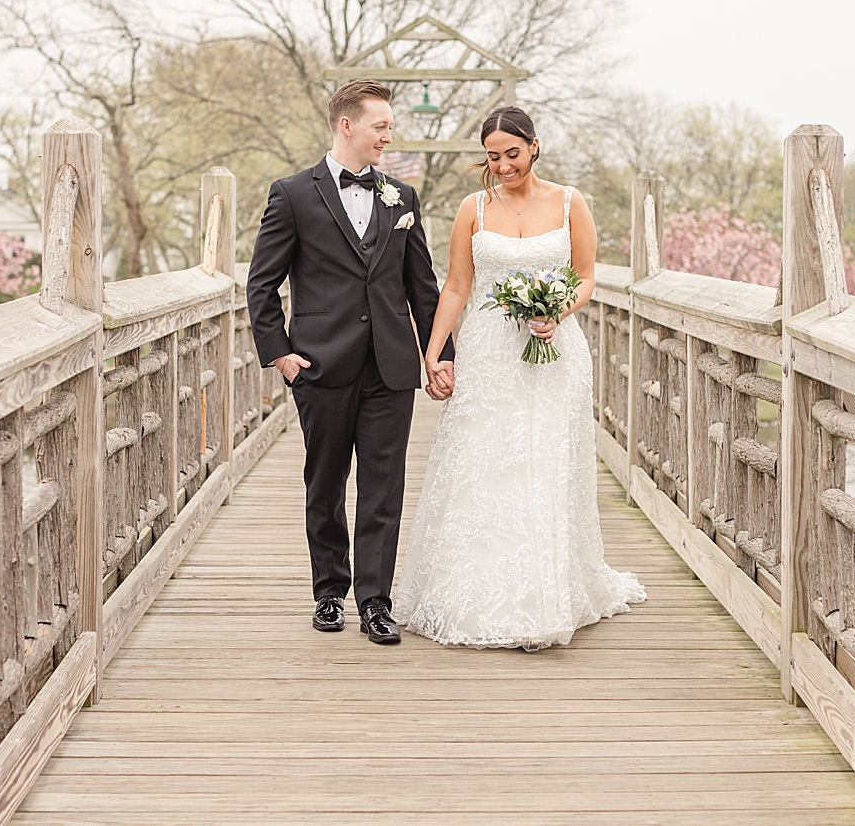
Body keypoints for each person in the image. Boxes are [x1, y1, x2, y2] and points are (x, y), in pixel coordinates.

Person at [394, 105, 645, 650]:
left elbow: (586, 277)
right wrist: (434, 354)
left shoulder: (571, 202)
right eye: (492, 157)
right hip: (487, 352)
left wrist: (558, 311)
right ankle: (473, 590)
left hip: (555, 351)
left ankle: (544, 598)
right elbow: (457, 285)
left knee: (546, 463)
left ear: (534, 146)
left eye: (512, 154)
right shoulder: (473, 209)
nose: (503, 165)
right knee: (484, 462)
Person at [246, 79, 455, 645]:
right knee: (326, 481)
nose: (389, 136)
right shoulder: (292, 195)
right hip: (319, 366)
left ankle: (376, 603)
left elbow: (424, 288)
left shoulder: (402, 199)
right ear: (347, 125)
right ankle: (329, 594)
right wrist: (281, 355)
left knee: (384, 488)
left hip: (392, 367)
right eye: (381, 126)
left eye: (389, 126)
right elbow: (261, 284)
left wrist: (441, 356)